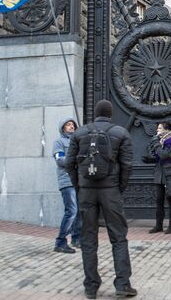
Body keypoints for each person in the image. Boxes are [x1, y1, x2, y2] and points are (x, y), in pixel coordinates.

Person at [65, 100, 136, 299]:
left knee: (88, 239)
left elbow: (69, 163)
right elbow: (127, 165)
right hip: (110, 190)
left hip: (86, 191)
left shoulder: (79, 133)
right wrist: (119, 187)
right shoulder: (121, 133)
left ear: (95, 113)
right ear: (110, 114)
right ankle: (123, 284)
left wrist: (79, 186)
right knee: (119, 237)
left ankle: (91, 287)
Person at [142, 121, 171, 235]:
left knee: (170, 199)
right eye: (158, 128)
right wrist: (149, 159)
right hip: (159, 172)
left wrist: (156, 143)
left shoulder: (170, 141)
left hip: (169, 172)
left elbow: (165, 155)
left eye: (159, 128)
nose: (157, 130)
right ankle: (158, 226)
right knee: (159, 200)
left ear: (166, 130)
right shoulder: (161, 141)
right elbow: (158, 157)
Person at [53, 118, 81, 253]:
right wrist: (76, 160)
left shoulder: (78, 141)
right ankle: (60, 242)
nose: (71, 126)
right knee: (72, 211)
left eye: (73, 125)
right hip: (67, 181)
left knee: (79, 212)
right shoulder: (59, 142)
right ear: (62, 128)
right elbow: (60, 160)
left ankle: (77, 239)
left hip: (79, 181)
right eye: (68, 125)